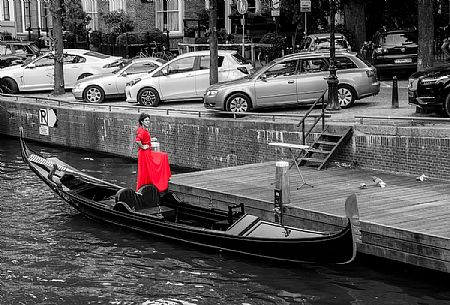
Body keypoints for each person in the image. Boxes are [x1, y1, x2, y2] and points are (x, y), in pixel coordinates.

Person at [135, 113, 171, 192]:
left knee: (146, 170)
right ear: (142, 122)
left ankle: (150, 183)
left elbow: (144, 139)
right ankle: (160, 180)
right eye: (146, 120)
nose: (148, 122)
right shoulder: (143, 131)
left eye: (148, 120)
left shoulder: (143, 129)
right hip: (145, 153)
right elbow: (137, 140)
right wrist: (143, 146)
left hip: (146, 153)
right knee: (163, 156)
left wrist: (151, 140)